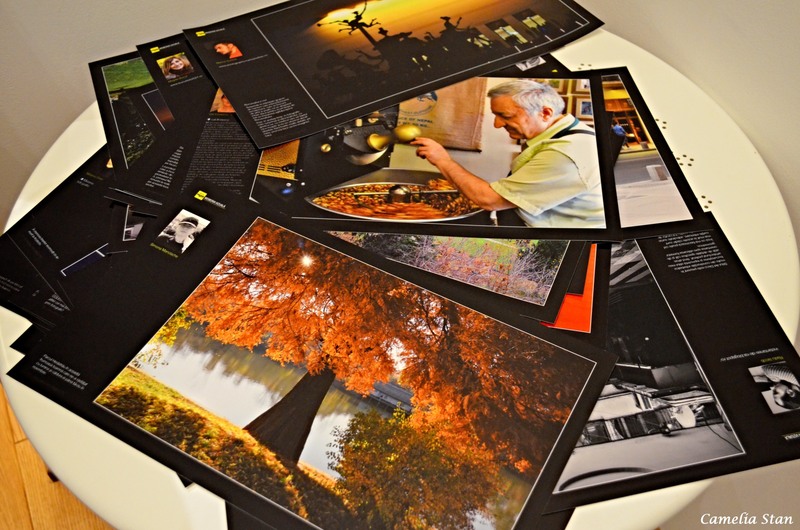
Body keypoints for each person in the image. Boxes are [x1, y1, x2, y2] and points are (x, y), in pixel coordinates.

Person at [411, 79, 604, 228]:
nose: (497, 124)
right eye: (496, 115)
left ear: (545, 113)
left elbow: (490, 200)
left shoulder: (566, 153)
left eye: (506, 116)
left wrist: (443, 160)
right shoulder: (560, 136)